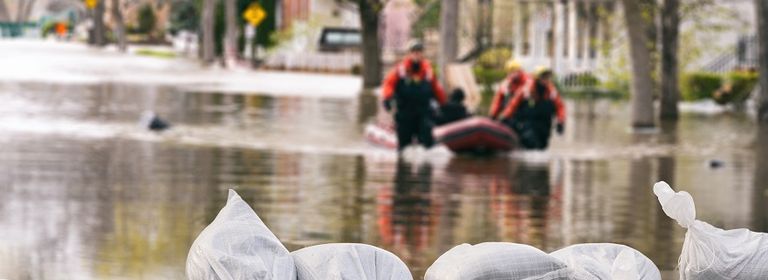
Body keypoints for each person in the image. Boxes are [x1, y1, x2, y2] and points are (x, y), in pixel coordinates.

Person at [381, 41, 447, 151]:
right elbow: (388, 84)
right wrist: (387, 98)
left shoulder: (428, 71)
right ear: (409, 54)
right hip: (405, 113)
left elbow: (436, 89)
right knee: (403, 146)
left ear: (422, 54)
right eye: (414, 52)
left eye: (419, 52)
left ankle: (426, 164)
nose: (417, 54)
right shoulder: (400, 70)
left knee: (427, 141)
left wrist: (444, 105)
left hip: (423, 112)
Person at [499, 67, 565, 149]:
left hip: (544, 126)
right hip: (528, 124)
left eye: (548, 77)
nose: (546, 79)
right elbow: (513, 104)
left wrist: (561, 122)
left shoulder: (552, 92)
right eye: (544, 77)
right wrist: (505, 117)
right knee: (531, 142)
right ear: (537, 78)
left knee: (542, 147)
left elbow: (560, 107)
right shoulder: (526, 90)